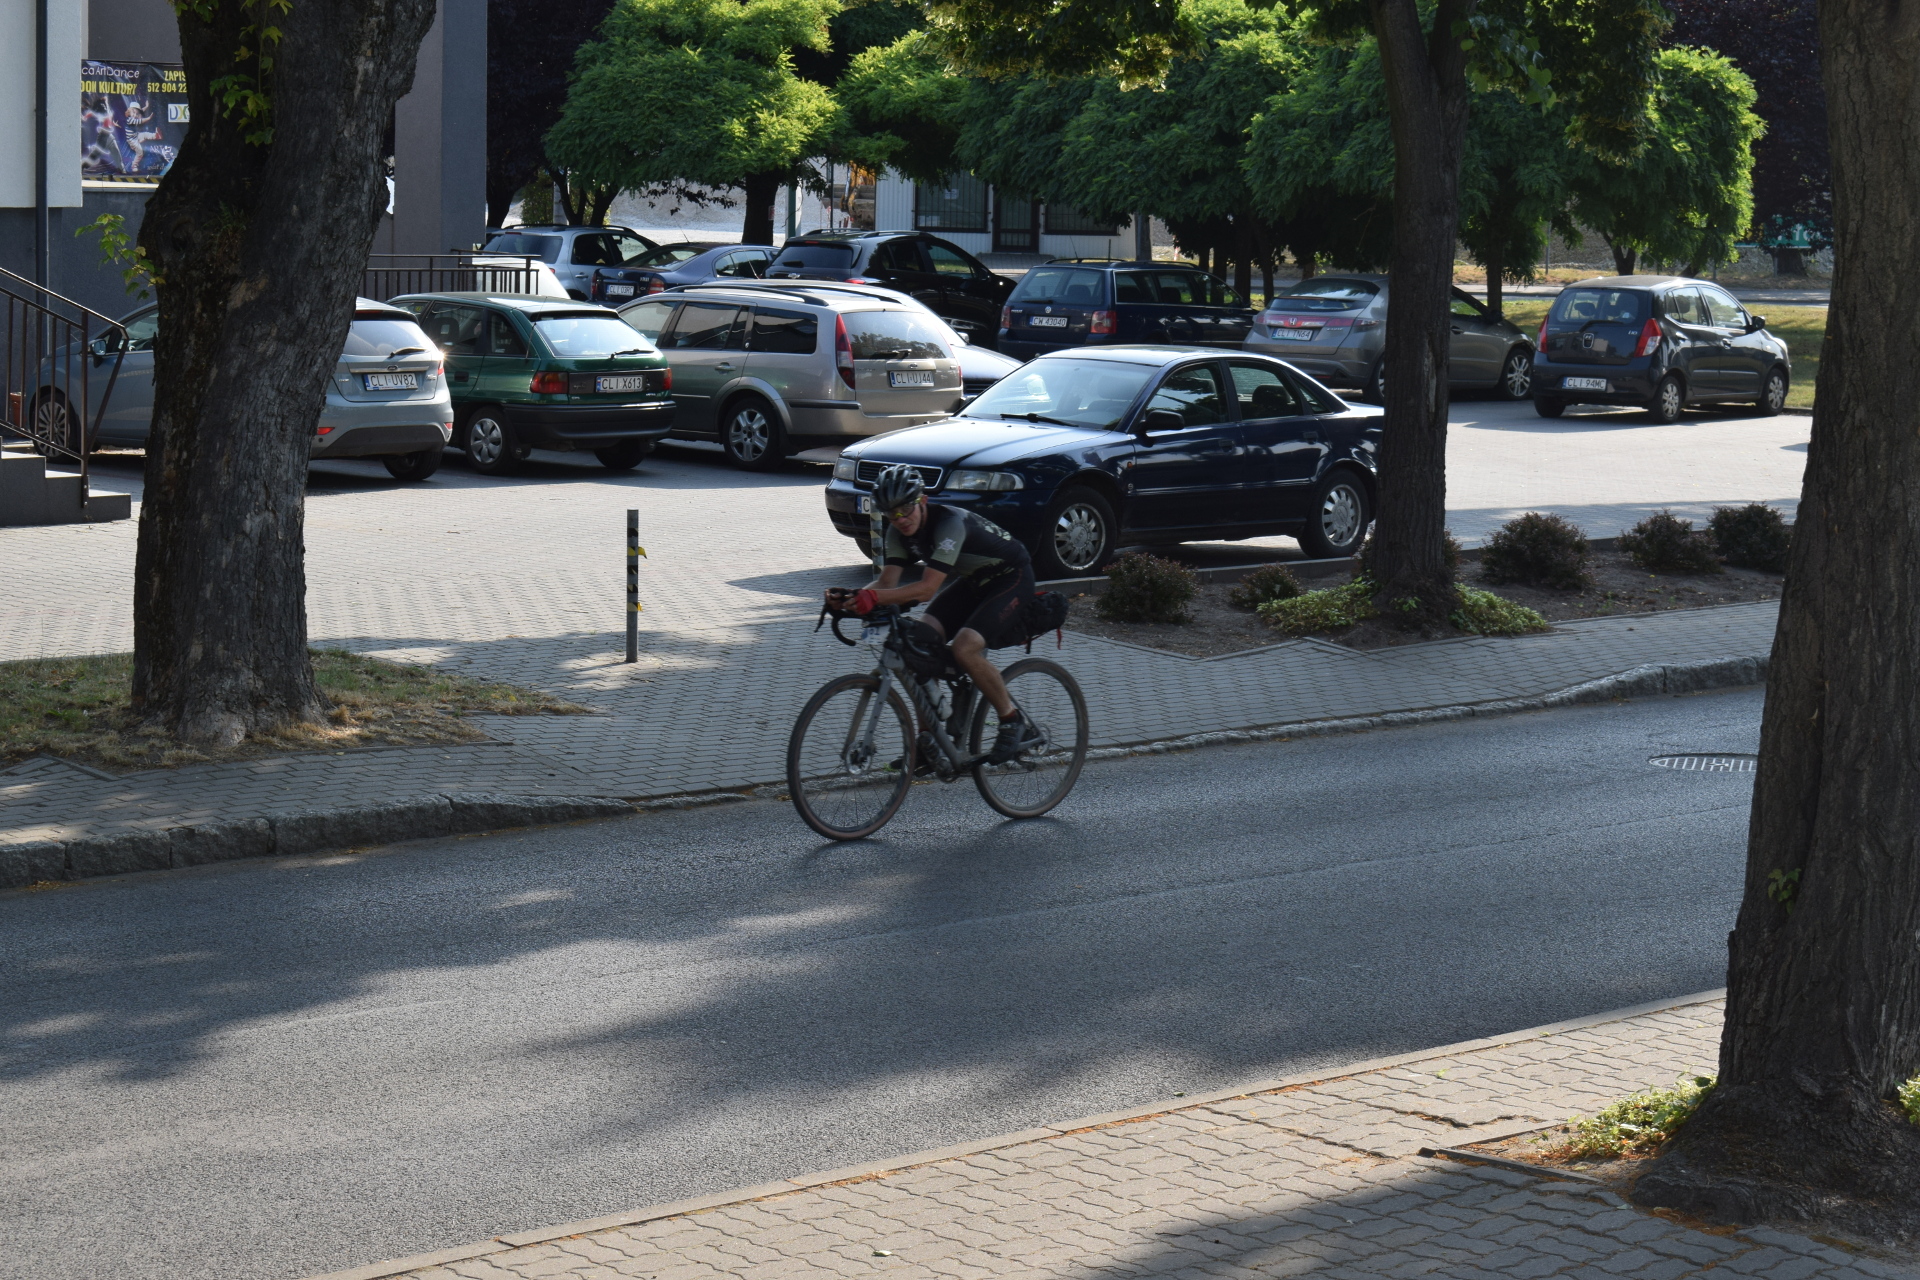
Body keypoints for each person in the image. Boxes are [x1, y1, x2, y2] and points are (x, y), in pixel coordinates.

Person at [826, 464, 1044, 764]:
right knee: (921, 644)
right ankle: (929, 744)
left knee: (966, 649)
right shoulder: (897, 530)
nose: (900, 519)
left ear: (922, 501)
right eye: (891, 514)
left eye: (906, 509)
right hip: (974, 581)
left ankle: (1011, 719)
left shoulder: (948, 524)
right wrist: (851, 598)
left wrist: (872, 597)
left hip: (1012, 577)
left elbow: (926, 589)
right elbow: (887, 582)